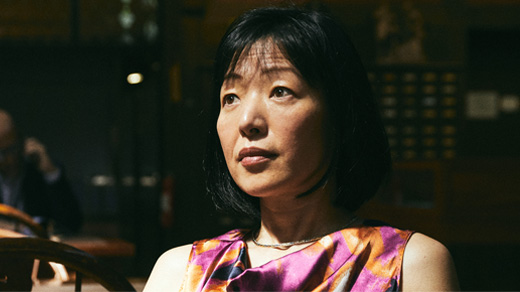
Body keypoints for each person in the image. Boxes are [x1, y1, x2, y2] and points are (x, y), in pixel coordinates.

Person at [144, 6, 459, 292]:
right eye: (231, 97)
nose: (247, 121)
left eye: (280, 91)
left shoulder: (407, 265)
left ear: (339, 114)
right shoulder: (181, 272)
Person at [0, 109, 82, 234]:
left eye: (10, 150)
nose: (6, 160)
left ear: (21, 142)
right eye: (0, 153)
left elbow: (72, 223)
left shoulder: (37, 171)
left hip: (38, 251)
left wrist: (50, 173)